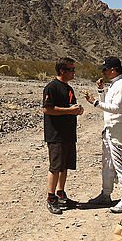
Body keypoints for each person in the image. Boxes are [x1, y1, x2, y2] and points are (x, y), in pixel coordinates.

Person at [84, 56, 122, 213]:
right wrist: (101, 92)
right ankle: (106, 194)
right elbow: (108, 105)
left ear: (113, 70)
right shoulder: (115, 85)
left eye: (105, 69)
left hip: (118, 129)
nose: (103, 72)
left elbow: (117, 108)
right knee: (107, 162)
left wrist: (95, 102)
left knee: (121, 162)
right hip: (110, 128)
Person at [41, 57, 83, 214]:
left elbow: (71, 106)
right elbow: (47, 109)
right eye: (71, 70)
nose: (74, 73)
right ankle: (51, 198)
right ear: (62, 71)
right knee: (55, 167)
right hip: (56, 134)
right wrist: (68, 111)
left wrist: (78, 110)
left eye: (74, 69)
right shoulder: (51, 88)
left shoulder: (69, 89)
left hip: (69, 134)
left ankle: (61, 193)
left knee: (65, 166)